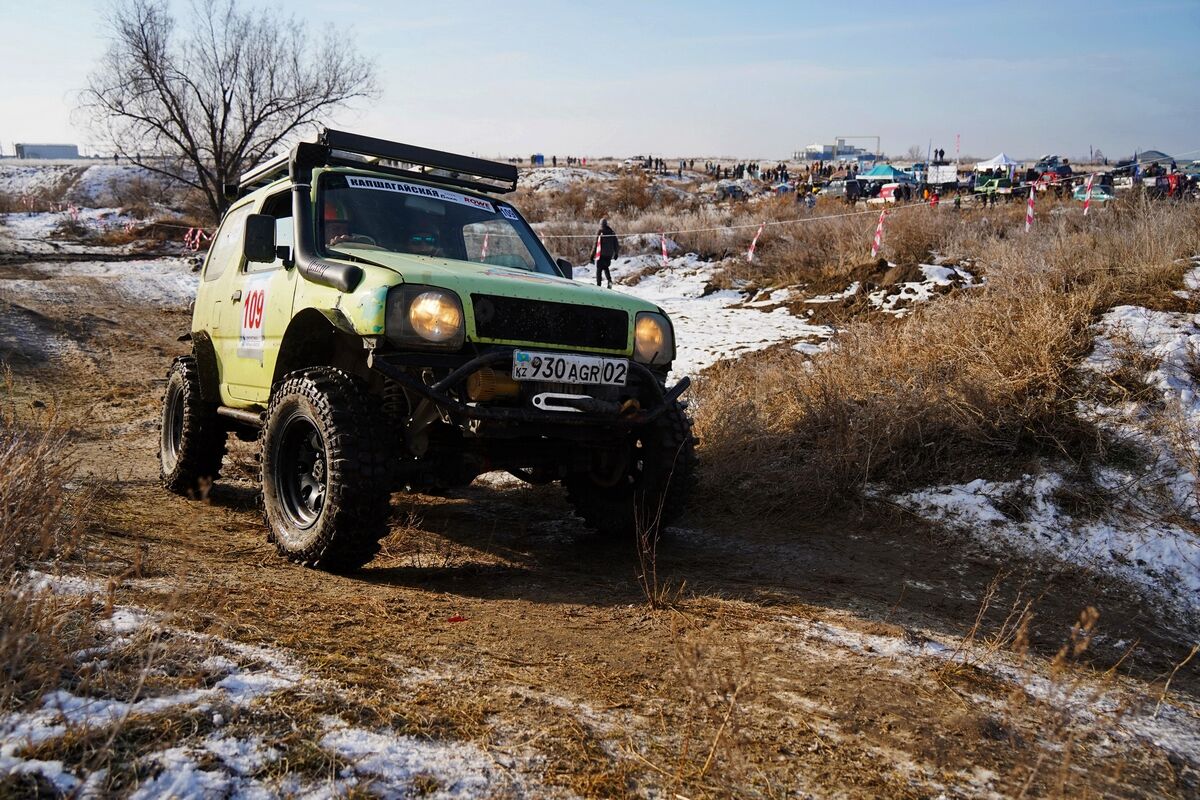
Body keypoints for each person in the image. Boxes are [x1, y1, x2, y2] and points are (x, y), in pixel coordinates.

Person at [592, 218, 619, 289]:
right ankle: (609, 281)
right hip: (609, 255)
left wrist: (591, 256)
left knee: (599, 269)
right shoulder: (612, 232)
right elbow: (616, 244)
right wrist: (616, 253)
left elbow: (595, 244)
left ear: (601, 224)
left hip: (601, 254)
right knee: (605, 267)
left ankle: (598, 285)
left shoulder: (600, 232)